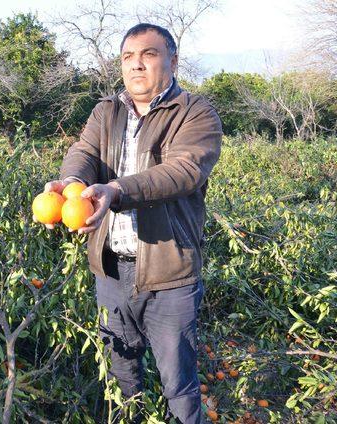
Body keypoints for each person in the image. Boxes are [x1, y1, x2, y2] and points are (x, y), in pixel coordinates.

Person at [39, 23, 222, 423]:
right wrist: (71, 183)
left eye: (149, 55)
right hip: (110, 270)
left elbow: (183, 171)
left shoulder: (195, 112)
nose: (136, 65)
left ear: (172, 61)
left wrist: (116, 192)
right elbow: (83, 152)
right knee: (122, 375)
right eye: (128, 57)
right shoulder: (107, 111)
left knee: (179, 384)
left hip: (169, 273)